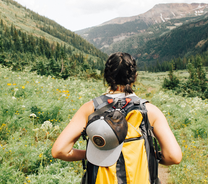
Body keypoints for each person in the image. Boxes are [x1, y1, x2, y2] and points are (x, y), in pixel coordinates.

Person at [52, 52, 181, 183]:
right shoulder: (150, 111)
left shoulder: (90, 109)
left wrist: (90, 154)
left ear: (106, 77)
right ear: (135, 77)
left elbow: (59, 151)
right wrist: (153, 156)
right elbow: (174, 157)